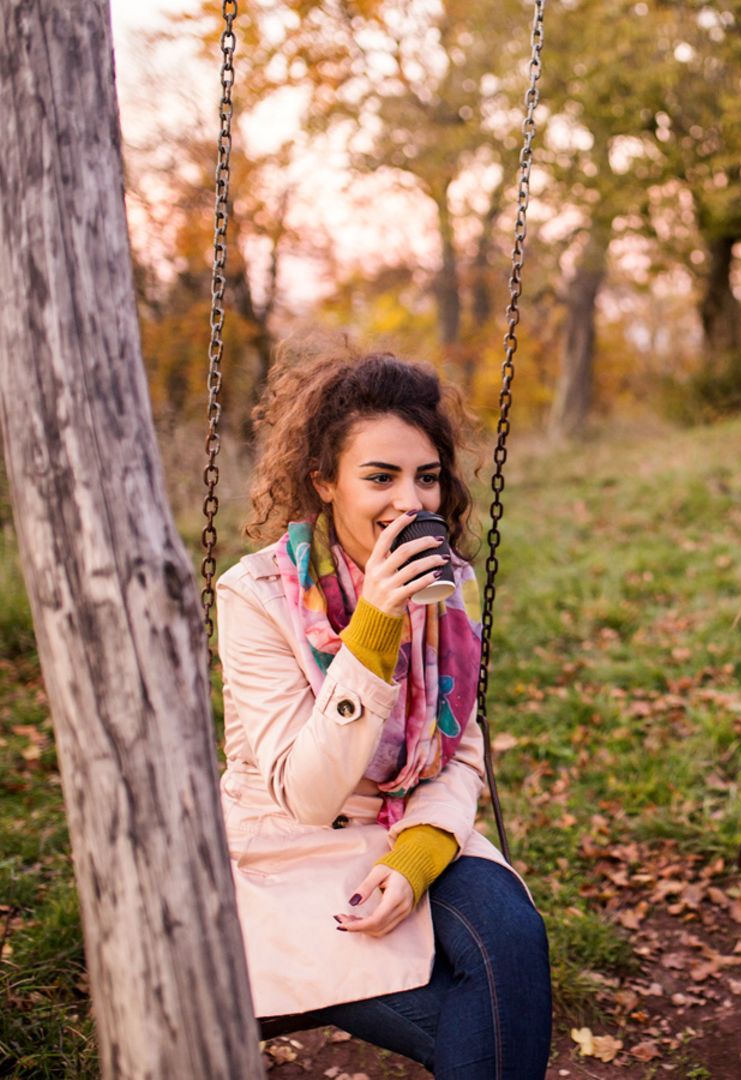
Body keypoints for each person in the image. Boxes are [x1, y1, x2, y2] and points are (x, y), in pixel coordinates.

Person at [216, 344, 551, 1078]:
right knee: (482, 1022)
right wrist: (372, 629)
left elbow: (459, 748)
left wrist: (423, 851)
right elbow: (308, 793)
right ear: (324, 483)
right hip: (294, 850)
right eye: (380, 477)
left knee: (512, 937)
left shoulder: (443, 587)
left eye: (426, 477)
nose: (412, 502)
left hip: (409, 825)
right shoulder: (255, 597)